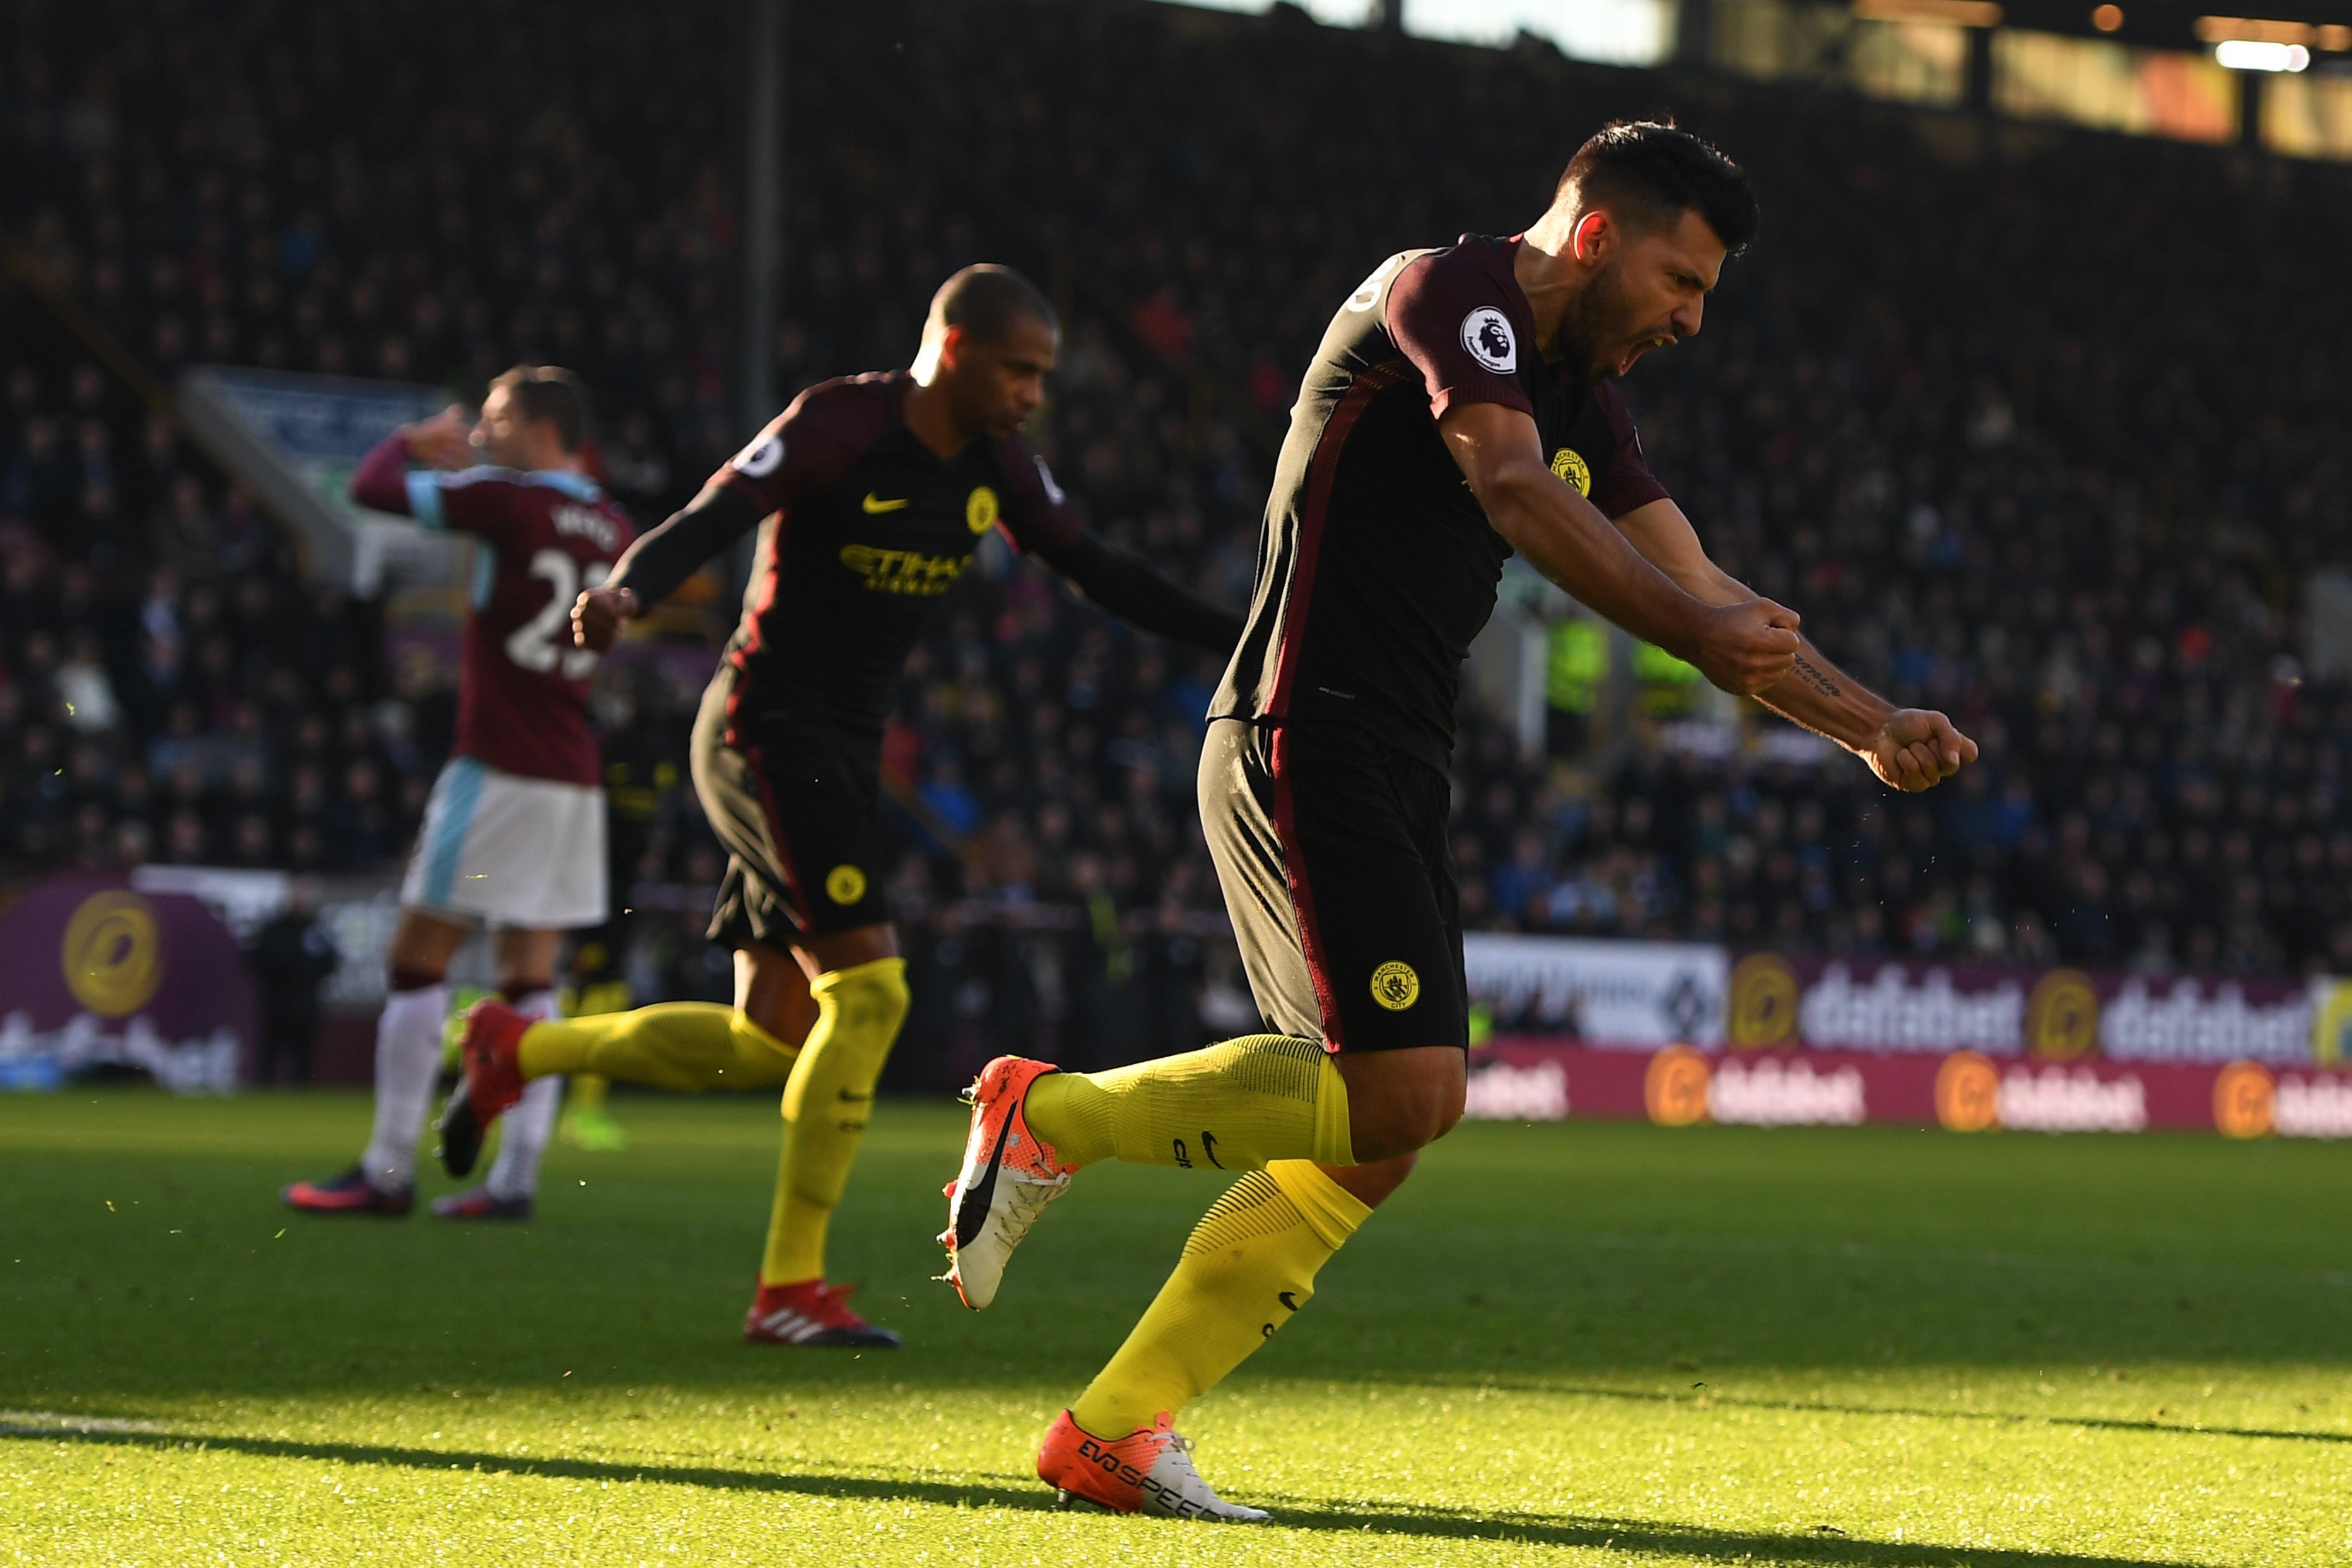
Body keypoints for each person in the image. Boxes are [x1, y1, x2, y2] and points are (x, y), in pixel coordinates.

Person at [939, 121, 1981, 1519]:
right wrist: (1692, 626)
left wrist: (1866, 722)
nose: (1688, 318)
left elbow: (1703, 584)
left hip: (1392, 754)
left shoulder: (1580, 395)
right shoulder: (1441, 293)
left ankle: (1115, 1429)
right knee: (1402, 1092)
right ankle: (1041, 1111)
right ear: (1596, 230)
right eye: (1679, 280)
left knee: (1380, 1131)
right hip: (1299, 729)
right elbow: (1507, 487)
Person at [435, 265, 1242, 1346]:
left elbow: (1094, 567)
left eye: (1042, 375)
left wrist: (1241, 633)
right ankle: (787, 1287)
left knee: (767, 1039)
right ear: (954, 350)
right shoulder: (841, 423)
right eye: (1019, 370)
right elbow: (717, 508)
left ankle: (513, 1048)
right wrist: (628, 585)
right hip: (765, 726)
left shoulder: (995, 462)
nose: (1034, 394)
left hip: (843, 748)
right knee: (869, 996)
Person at [281, 365, 634, 1222]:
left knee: (416, 963)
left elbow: (372, 489)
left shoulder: (506, 499)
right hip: (573, 779)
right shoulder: (614, 522)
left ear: (541, 424)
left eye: (494, 415)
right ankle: (514, 1182)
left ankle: (388, 1168)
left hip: (499, 769)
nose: (479, 430)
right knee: (530, 985)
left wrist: (411, 444)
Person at [246, 881, 339, 1086]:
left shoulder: (316, 931)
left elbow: (331, 962)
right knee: (270, 1053)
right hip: (276, 1001)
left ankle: (302, 1095)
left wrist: (301, 973)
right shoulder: (274, 929)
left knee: (304, 1057)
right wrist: (288, 973)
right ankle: (263, 1095)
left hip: (306, 1003)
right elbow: (255, 960)